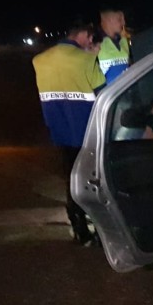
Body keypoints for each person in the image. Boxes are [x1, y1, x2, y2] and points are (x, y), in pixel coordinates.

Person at [32, 21, 106, 245]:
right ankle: (93, 228)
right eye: (90, 38)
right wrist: (91, 56)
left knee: (70, 178)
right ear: (83, 35)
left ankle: (78, 227)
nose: (90, 42)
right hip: (86, 130)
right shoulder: (86, 59)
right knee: (90, 181)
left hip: (58, 129)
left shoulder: (40, 60)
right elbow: (103, 92)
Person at [97, 8, 130, 85]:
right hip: (109, 95)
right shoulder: (94, 44)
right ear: (109, 20)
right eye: (119, 19)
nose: (124, 23)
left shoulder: (123, 41)